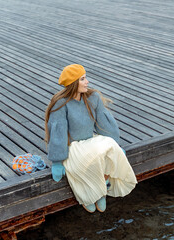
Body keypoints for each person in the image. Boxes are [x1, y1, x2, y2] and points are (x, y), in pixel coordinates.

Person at [44, 64, 137, 213]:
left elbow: (104, 122)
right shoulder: (61, 103)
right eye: (82, 79)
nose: (87, 81)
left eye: (85, 78)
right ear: (73, 83)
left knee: (111, 150)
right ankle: (88, 195)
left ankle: (102, 187)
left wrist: (115, 145)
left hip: (90, 140)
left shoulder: (92, 97)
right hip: (74, 146)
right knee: (85, 163)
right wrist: (57, 161)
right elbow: (58, 132)